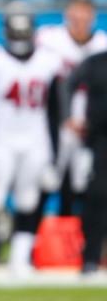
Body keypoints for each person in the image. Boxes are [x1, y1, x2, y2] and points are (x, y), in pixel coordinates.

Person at [0, 3, 66, 278]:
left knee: (28, 201)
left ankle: (21, 259)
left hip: (37, 141)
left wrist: (55, 155)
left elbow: (55, 112)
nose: (20, 38)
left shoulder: (49, 60)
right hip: (1, 140)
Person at [35, 0, 107, 215]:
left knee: (85, 184)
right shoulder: (49, 38)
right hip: (54, 116)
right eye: (74, 14)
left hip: (92, 119)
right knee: (46, 178)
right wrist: (65, 116)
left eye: (84, 14)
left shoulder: (101, 43)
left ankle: (78, 239)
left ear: (92, 18)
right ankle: (33, 236)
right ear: (66, 15)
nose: (79, 20)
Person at [66, 49, 107, 274]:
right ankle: (91, 257)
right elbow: (68, 84)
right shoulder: (96, 62)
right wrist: (68, 116)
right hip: (101, 139)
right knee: (98, 197)